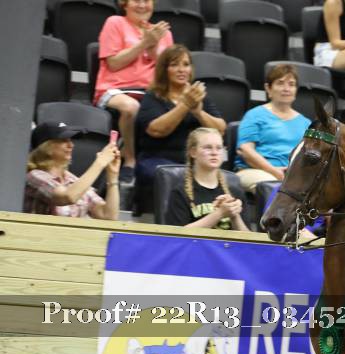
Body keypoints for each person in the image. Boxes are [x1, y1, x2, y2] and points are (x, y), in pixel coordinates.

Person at [94, 0, 173, 183]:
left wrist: (153, 48)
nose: (142, 5)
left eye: (147, 1)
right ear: (125, 4)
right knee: (131, 107)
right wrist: (144, 43)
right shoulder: (115, 22)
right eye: (137, 0)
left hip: (150, 92)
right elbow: (113, 64)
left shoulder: (163, 33)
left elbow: (167, 72)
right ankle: (129, 159)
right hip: (115, 89)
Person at [135, 45, 226, 201]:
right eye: (174, 65)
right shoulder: (153, 96)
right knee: (178, 177)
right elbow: (156, 130)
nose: (181, 70)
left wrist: (198, 113)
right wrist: (185, 105)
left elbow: (220, 130)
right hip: (157, 159)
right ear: (164, 70)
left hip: (195, 161)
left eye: (186, 64)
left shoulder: (198, 96)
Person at [234, 64, 310, 192]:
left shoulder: (306, 123)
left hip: (292, 175)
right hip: (256, 171)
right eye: (280, 83)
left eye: (291, 84)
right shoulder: (254, 115)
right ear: (268, 88)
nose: (286, 89)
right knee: (277, 189)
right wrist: (274, 171)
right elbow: (246, 151)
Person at [23, 121, 121, 219]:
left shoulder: (72, 179)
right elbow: (68, 197)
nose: (71, 145)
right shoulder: (34, 176)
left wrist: (112, 175)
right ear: (46, 147)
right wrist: (100, 162)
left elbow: (108, 215)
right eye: (63, 140)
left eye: (70, 140)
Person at [165, 127, 249, 231]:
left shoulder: (235, 193)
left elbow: (249, 238)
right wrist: (219, 213)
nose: (214, 152)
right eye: (208, 147)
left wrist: (234, 215)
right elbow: (177, 235)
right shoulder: (180, 193)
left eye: (219, 148)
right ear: (193, 152)